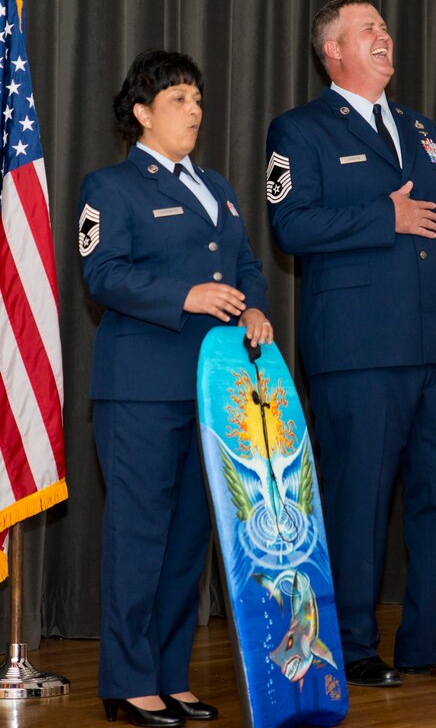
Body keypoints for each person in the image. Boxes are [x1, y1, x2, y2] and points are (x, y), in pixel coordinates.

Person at [266, 0, 436, 688]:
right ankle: (348, 643)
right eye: (367, 29)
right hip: (360, 348)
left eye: (384, 28)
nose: (384, 36)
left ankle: (434, 639)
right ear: (331, 51)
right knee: (357, 496)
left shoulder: (418, 128)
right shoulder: (300, 130)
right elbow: (291, 227)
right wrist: (383, 215)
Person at [78, 49, 273, 726]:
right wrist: (184, 293)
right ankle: (126, 682)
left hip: (213, 389)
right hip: (139, 389)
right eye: (177, 101)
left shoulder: (217, 186)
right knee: (140, 535)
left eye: (195, 99)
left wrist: (252, 304)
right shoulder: (110, 187)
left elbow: (246, 263)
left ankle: (168, 674)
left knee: (190, 536)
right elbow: (103, 274)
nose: (193, 111)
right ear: (141, 114)